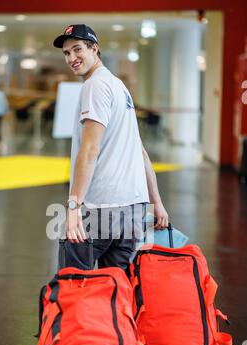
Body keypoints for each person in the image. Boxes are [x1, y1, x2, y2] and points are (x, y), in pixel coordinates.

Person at [53, 24, 168, 271]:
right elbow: (141, 152)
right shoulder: (119, 86)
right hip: (133, 210)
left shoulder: (94, 86)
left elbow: (89, 150)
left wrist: (73, 207)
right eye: (66, 53)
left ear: (95, 48)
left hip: (101, 208)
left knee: (74, 286)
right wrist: (156, 202)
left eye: (77, 49)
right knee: (117, 292)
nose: (72, 58)